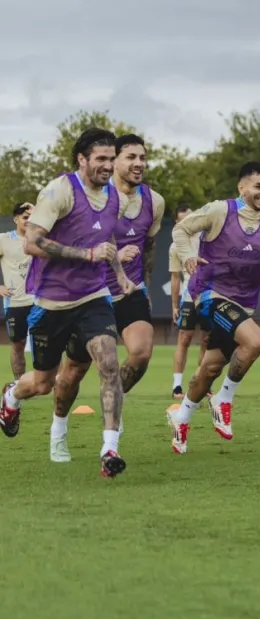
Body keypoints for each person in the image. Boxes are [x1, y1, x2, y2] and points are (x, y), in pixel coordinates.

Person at [0, 128, 133, 477]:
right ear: (82, 159)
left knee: (108, 362)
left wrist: (118, 272)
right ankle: (12, 395)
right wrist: (86, 254)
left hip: (93, 297)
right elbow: (32, 242)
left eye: (111, 159)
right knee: (43, 383)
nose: (108, 166)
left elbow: (106, 240)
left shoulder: (115, 198)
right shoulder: (60, 191)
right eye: (101, 159)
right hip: (51, 303)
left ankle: (109, 449)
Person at [167, 161, 260, 454]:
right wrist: (189, 255)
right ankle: (223, 399)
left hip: (243, 304)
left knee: (210, 368)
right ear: (242, 187)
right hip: (209, 295)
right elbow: (180, 230)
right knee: (256, 340)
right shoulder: (220, 210)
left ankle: (182, 417)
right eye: (258, 187)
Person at [50, 134, 165, 451]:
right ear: (113, 161)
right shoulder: (92, 198)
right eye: (130, 157)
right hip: (89, 294)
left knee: (140, 353)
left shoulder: (154, 202)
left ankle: (115, 403)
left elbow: (150, 246)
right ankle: (58, 430)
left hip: (129, 291)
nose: (138, 163)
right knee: (72, 372)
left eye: (142, 157)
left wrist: (144, 281)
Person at [169, 202, 208, 398]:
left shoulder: (207, 238)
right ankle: (177, 385)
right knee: (184, 339)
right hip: (188, 296)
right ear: (177, 222)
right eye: (184, 219)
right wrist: (174, 306)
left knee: (207, 340)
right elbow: (175, 277)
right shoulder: (175, 246)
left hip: (209, 295)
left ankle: (202, 383)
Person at [0, 203, 35, 379]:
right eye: (25, 217)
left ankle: (50, 383)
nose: (29, 221)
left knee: (51, 343)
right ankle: (18, 385)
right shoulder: (4, 240)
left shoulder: (42, 238)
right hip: (16, 302)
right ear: (15, 220)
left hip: (42, 302)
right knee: (18, 345)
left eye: (32, 216)